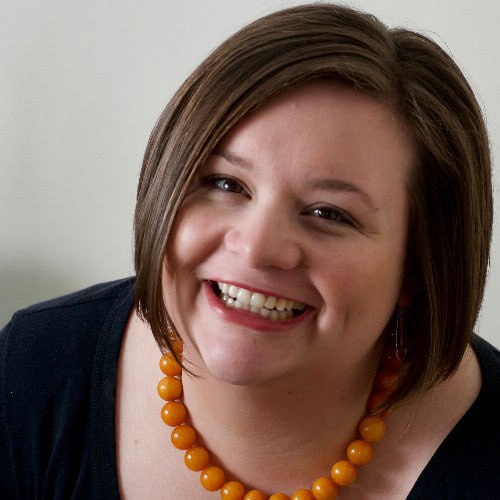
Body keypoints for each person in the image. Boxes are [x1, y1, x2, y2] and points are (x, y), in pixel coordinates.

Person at [1, 3, 499, 499]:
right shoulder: (32, 371)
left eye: (329, 213)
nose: (257, 248)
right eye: (226, 184)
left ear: (419, 265)